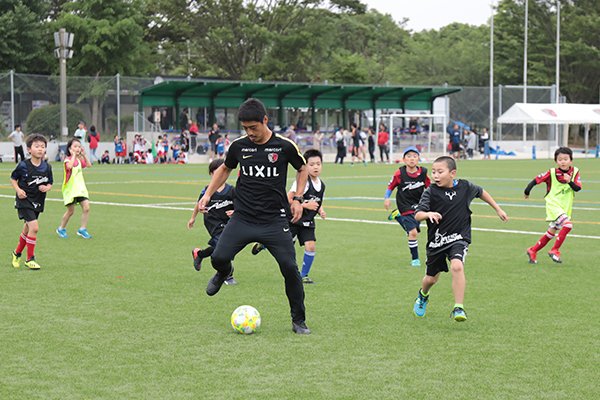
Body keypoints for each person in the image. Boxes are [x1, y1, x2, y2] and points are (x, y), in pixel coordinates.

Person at [197, 98, 311, 335]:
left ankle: (298, 320)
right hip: (243, 218)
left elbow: (302, 168)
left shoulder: (284, 146)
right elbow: (225, 168)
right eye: (245, 128)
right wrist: (207, 194)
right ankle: (223, 271)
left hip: (274, 220)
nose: (249, 133)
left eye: (253, 128)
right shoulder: (239, 147)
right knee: (218, 257)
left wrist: (298, 198)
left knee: (290, 268)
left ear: (265, 121)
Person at [413, 156, 508, 321]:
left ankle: (458, 308)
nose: (435, 175)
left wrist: (498, 209)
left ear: (452, 173)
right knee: (431, 279)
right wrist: (428, 214)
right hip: (437, 242)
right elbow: (417, 215)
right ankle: (423, 295)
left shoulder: (465, 187)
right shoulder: (431, 191)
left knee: (457, 266)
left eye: (440, 172)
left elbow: (481, 192)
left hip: (459, 238)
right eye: (433, 172)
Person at [252, 149, 326, 284]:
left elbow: (316, 200)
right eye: (311, 164)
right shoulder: (303, 183)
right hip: (293, 219)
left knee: (311, 246)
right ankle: (264, 244)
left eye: (318, 164)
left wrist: (320, 209)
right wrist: (304, 206)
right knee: (285, 248)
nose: (315, 167)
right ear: (305, 166)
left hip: (307, 221)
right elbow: (287, 200)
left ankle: (303, 275)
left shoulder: (321, 185)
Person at [524, 147, 582, 264]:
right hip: (553, 206)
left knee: (551, 232)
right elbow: (536, 180)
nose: (563, 161)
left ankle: (533, 250)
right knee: (568, 225)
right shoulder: (551, 172)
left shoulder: (575, 172)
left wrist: (569, 181)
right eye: (560, 159)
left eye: (565, 159)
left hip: (565, 208)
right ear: (556, 161)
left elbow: (578, 188)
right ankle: (555, 250)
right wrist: (527, 190)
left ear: (571, 160)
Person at [188, 159, 237, 285]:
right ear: (211, 174)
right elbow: (199, 204)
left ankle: (199, 254)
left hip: (228, 223)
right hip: (213, 222)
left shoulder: (231, 190)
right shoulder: (208, 190)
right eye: (217, 172)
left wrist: (235, 212)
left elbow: (239, 205)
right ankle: (228, 275)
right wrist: (193, 217)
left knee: (220, 247)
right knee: (225, 245)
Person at [10, 134, 53, 270]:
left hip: (38, 201)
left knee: (27, 229)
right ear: (29, 149)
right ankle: (30, 259)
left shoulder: (47, 167)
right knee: (34, 228)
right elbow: (13, 178)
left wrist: (47, 187)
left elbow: (50, 183)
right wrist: (18, 190)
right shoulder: (23, 165)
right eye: (37, 146)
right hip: (24, 200)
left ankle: (16, 253)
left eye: (43, 147)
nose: (40, 149)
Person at [384, 146, 430, 267]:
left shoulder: (423, 172)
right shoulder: (400, 173)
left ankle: (398, 217)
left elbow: (430, 188)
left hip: (419, 205)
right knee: (413, 232)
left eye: (415, 156)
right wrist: (386, 198)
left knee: (413, 230)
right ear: (404, 160)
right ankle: (415, 259)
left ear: (418, 159)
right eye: (409, 156)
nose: (412, 159)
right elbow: (390, 186)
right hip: (404, 204)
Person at [56, 138, 92, 239]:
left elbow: (89, 165)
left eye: (79, 146)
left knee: (86, 208)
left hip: (81, 189)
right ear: (70, 149)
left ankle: (82, 229)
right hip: (70, 190)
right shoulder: (68, 159)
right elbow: (69, 166)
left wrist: (84, 155)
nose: (78, 148)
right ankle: (61, 228)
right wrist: (74, 156)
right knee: (70, 211)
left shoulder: (79, 160)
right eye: (75, 146)